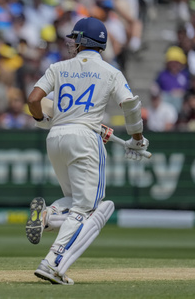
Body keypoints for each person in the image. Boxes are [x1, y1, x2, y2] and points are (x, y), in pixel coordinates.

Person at [26, 17, 150, 285]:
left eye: (75, 38)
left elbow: (34, 99)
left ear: (83, 40)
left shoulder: (58, 67)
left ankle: (50, 215)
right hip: (85, 138)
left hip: (56, 137)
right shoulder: (111, 71)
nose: (72, 43)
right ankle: (53, 262)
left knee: (75, 200)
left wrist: (42, 121)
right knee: (92, 209)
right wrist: (137, 139)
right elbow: (130, 106)